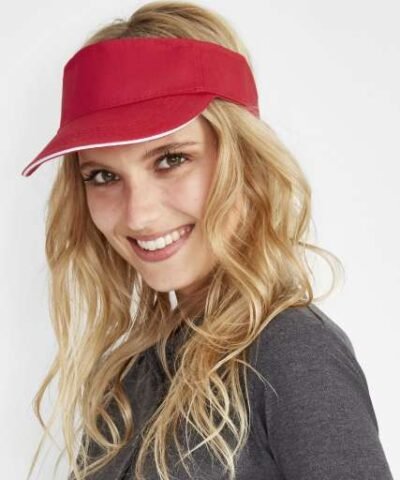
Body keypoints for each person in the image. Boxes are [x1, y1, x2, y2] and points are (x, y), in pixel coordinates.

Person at [22, 1, 394, 479]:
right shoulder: (131, 377)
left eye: (171, 159)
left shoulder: (291, 352)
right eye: (103, 175)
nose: (138, 214)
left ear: (244, 162)